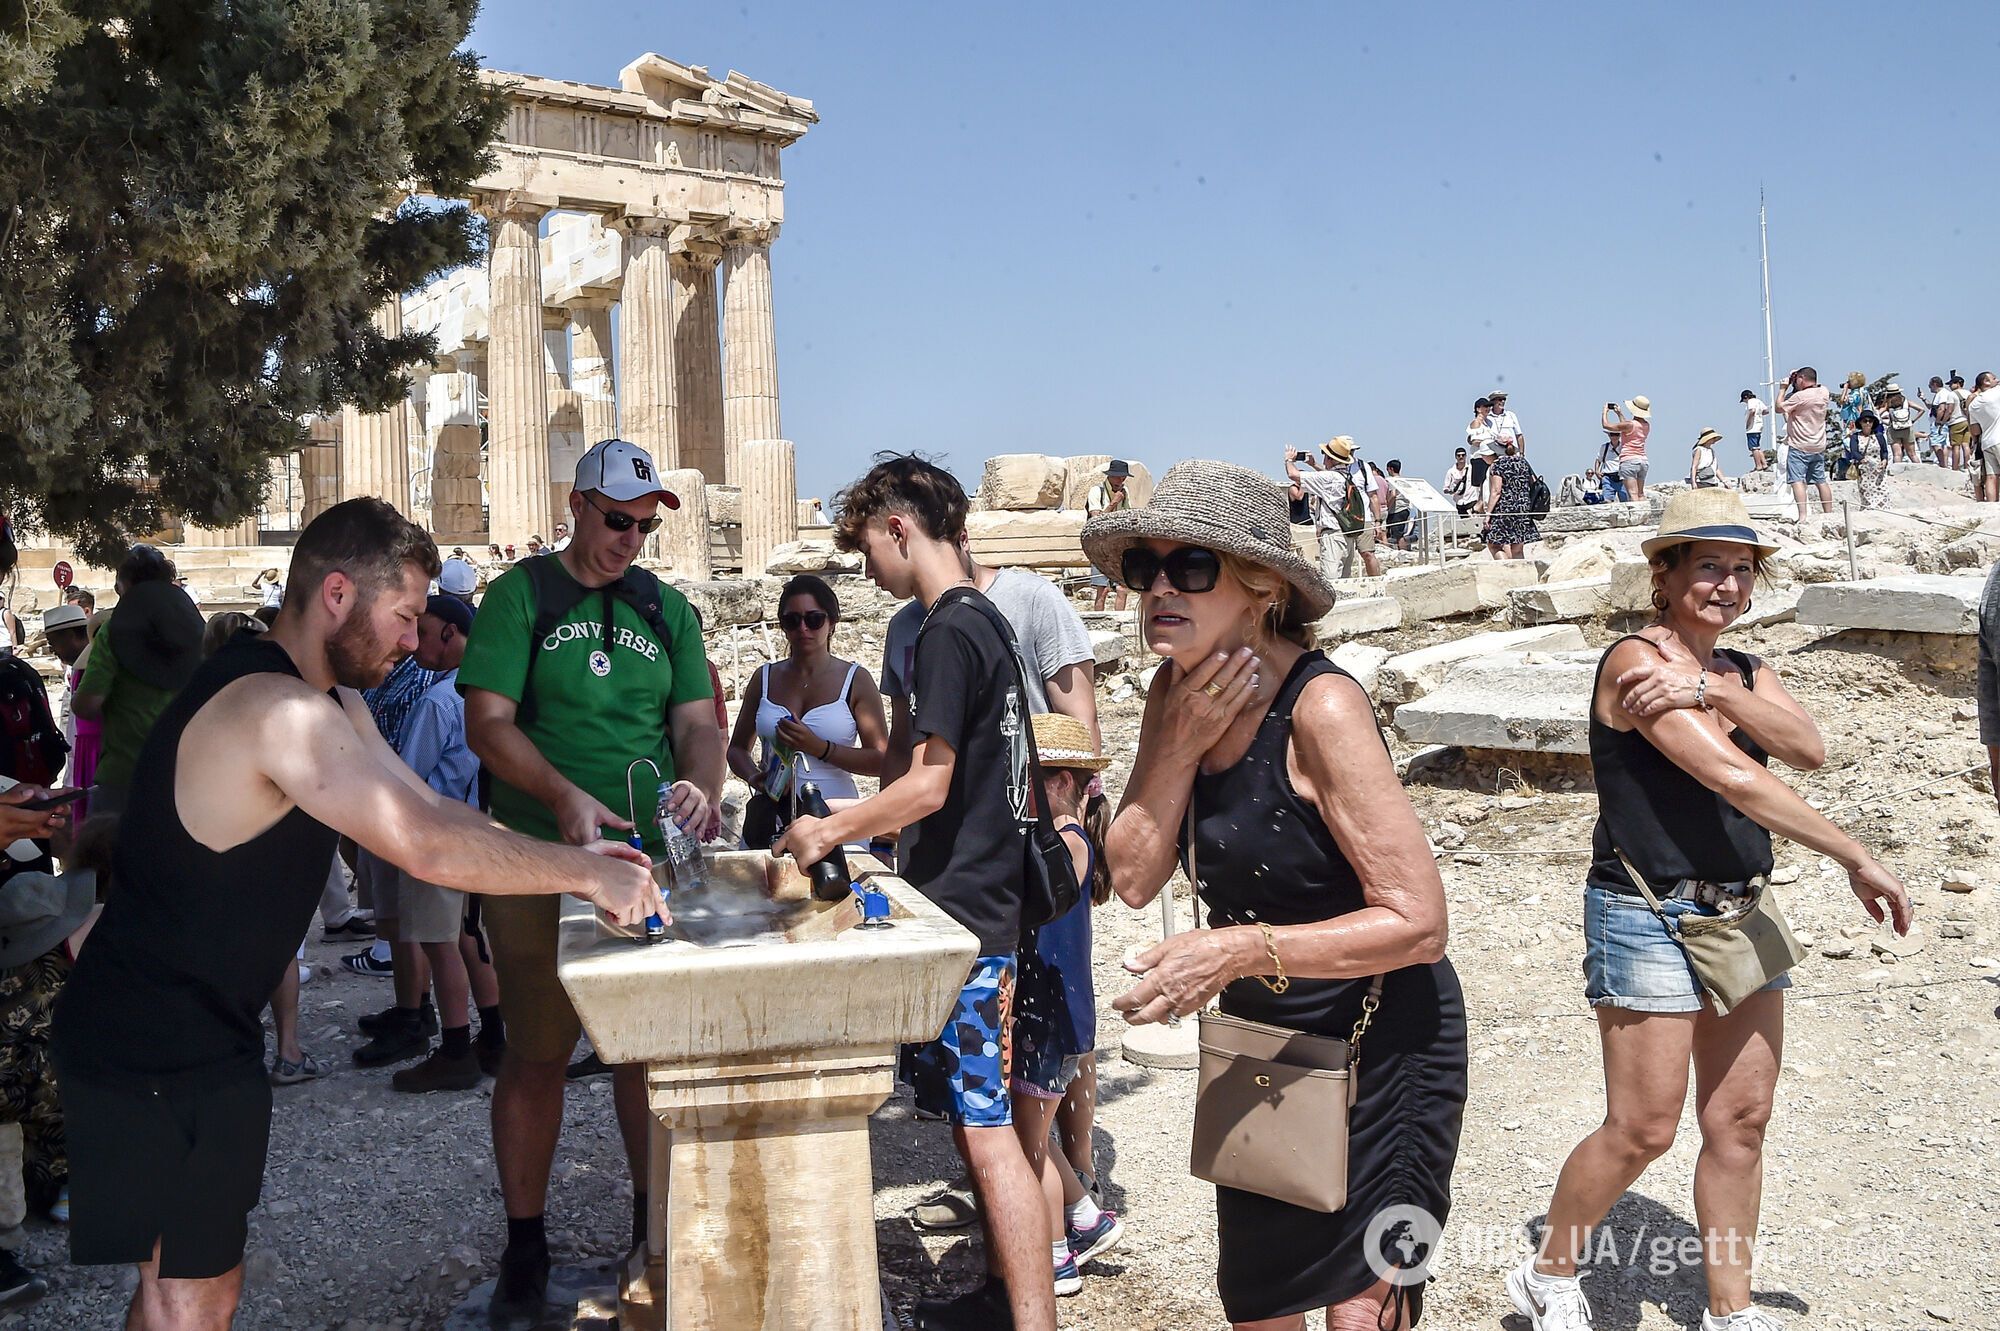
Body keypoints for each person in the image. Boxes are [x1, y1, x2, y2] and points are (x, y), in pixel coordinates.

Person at [50, 498, 657, 1331]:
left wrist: (572, 834)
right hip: (148, 1031)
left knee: (178, 1292)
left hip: (201, 1026)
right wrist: (586, 878)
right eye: (404, 615)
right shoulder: (279, 710)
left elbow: (436, 812)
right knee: (189, 1298)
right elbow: (424, 851)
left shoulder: (335, 703)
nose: (415, 639)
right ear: (338, 594)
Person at [1510, 490, 1911, 1331]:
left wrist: (1713, 686)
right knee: (1643, 1126)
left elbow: (1809, 745)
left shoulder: (1739, 669)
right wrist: (1856, 854)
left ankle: (1730, 1311)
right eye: (1708, 567)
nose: (1726, 584)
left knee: (1741, 1119)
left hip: (1740, 909)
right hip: (1646, 910)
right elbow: (1735, 777)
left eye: (1741, 569)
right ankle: (1550, 1269)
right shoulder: (1632, 663)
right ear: (1666, 574)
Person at [1085, 459, 1463, 1331]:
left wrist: (1240, 948)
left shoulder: (1321, 707)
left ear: (1261, 589)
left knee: (1359, 1314)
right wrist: (1177, 744)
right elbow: (1133, 879)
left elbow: (1420, 921)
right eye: (1149, 568)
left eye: (1192, 567)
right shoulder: (1170, 694)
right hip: (1269, 1046)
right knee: (1260, 1307)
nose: (1160, 589)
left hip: (1385, 1044)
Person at [776, 453, 1055, 1331]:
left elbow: (930, 782)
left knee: (985, 1126)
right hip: (990, 900)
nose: (863, 569)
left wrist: (830, 829)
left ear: (900, 528)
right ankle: (1002, 1297)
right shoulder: (988, 621)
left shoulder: (942, 629)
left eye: (866, 548)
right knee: (978, 1117)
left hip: (971, 914)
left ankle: (1032, 1315)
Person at [457, 438, 723, 1315]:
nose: (630, 539)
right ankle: (525, 1247)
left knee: (644, 1055)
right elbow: (488, 724)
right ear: (576, 504)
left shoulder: (667, 610)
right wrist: (562, 794)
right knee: (537, 1053)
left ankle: (652, 1230)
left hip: (642, 865)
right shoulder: (517, 596)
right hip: (535, 856)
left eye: (645, 526)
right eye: (617, 520)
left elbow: (700, 726)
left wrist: (702, 784)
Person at [879, 532, 1101, 1235]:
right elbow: (902, 743)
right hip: (958, 878)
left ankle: (1075, 1187)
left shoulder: (1033, 600)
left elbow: (1079, 731)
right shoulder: (906, 627)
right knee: (991, 1084)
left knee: (1049, 1036)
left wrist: (1072, 837)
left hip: (1032, 853)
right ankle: (1052, 1210)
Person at [1007, 712, 1121, 1299]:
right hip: (1053, 1011)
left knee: (1026, 1145)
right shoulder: (1063, 840)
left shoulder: (1069, 844)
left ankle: (1054, 1259)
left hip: (1049, 1016)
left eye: (1032, 774)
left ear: (1060, 782)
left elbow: (1043, 901)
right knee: (1032, 1126)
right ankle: (1084, 1217)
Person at [386, 595, 505, 1093]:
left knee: (439, 941)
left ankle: (456, 1047)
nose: (413, 643)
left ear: (451, 633)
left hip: (437, 831)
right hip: (482, 826)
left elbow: (408, 775)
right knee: (470, 936)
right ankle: (495, 1038)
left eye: (424, 630)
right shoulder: (489, 692)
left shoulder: (439, 701)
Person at [725, 574, 888, 844]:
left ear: (832, 622)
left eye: (814, 619)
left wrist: (820, 747)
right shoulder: (763, 678)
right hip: (772, 817)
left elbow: (882, 760)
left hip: (836, 821)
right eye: (792, 621)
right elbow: (736, 749)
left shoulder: (856, 680)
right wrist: (756, 778)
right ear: (782, 626)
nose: (803, 629)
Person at [71, 545, 203, 817]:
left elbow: (88, 704)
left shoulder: (113, 632)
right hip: (185, 774)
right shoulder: (197, 627)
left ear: (126, 586)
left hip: (125, 774)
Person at [1286, 437, 1382, 580]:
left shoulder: (1329, 477)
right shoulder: (1346, 476)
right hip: (1348, 530)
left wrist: (1289, 460)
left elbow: (1293, 475)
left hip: (1333, 533)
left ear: (1330, 458)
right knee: (1345, 576)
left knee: (1331, 577)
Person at [1776, 368, 1835, 521]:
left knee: (1797, 480)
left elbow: (1778, 407)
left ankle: (1803, 516)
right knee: (1821, 481)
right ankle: (1829, 514)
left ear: (1801, 378)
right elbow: (1814, 387)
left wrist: (1783, 388)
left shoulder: (1799, 397)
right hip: (1818, 444)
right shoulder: (1824, 392)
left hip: (1799, 444)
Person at [1086, 460, 1135, 611]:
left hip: (1118, 546)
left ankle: (1119, 623)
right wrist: (1113, 504)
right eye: (1118, 477)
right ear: (1110, 476)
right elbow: (1096, 521)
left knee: (1122, 589)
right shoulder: (1096, 491)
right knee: (1103, 590)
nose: (1121, 481)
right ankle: (1097, 623)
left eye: (1123, 478)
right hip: (1099, 546)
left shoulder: (1124, 493)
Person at [1484, 438, 1540, 559]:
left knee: (1494, 545)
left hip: (1505, 508)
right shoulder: (1523, 462)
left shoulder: (1498, 465)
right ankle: (1521, 574)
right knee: (1517, 548)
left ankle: (1507, 570)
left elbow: (1496, 491)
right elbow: (1533, 482)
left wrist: (1488, 514)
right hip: (1523, 507)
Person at [1601, 397, 1652, 502]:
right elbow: (1626, 428)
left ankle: (1636, 517)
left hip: (1629, 460)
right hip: (1643, 460)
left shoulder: (1630, 424)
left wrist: (1604, 412)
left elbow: (1606, 425)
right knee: (1640, 493)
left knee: (1632, 494)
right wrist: (1619, 414)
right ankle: (1644, 517)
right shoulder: (1646, 425)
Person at [1965, 371, 2000, 503]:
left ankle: (1991, 506)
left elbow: (1975, 430)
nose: (1997, 380)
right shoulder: (1996, 393)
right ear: (1986, 382)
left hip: (1987, 442)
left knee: (1991, 476)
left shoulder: (1973, 405)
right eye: (1994, 378)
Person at [1847, 411, 1889, 509]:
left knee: (1882, 492)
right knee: (1866, 493)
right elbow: (1854, 451)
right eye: (1865, 421)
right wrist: (1862, 459)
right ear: (1860, 423)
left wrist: (1885, 460)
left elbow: (1884, 451)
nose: (1867, 423)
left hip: (1878, 471)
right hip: (1864, 471)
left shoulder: (1879, 436)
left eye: (1870, 421)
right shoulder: (1855, 437)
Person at [1878, 382, 1924, 464]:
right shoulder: (1906, 402)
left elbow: (1878, 414)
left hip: (1894, 429)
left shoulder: (1888, 404)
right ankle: (1920, 471)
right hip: (1907, 428)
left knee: (1897, 454)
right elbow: (1921, 410)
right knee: (1912, 454)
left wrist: (1884, 421)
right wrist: (1913, 420)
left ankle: (1897, 473)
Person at [1465, 399, 1497, 502]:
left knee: (1488, 484)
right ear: (1478, 409)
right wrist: (1487, 443)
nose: (1488, 409)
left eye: (1489, 407)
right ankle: (1479, 506)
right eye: (1485, 406)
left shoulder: (1488, 423)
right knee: (1482, 485)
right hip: (1479, 457)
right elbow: (1474, 440)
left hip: (1489, 456)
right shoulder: (1476, 422)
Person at [1382, 460, 1414, 550]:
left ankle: (1403, 552)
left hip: (1397, 509)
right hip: (1405, 508)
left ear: (1391, 469)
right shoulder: (1404, 480)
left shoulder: (1392, 480)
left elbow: (1393, 494)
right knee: (1399, 533)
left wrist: (1387, 506)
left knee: (1397, 535)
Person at [1942, 373, 1971, 470]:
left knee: (1956, 446)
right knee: (1966, 445)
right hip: (1967, 421)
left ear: (1958, 383)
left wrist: (1943, 421)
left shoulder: (1952, 394)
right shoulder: (1969, 393)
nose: (1950, 386)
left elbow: (1949, 410)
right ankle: (1967, 467)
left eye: (1951, 384)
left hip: (1956, 421)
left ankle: (1955, 468)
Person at [1488, 388, 1526, 455]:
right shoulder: (1487, 417)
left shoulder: (1511, 415)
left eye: (1504, 399)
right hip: (1493, 454)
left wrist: (1521, 453)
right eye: (1500, 399)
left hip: (1511, 453)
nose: (1502, 401)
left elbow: (1519, 435)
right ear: (1492, 402)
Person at [1739, 390, 1770, 470]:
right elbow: (1766, 411)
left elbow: (1752, 411)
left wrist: (1748, 422)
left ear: (1746, 397)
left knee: (1753, 448)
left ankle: (1758, 465)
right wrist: (1759, 413)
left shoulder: (1751, 402)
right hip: (1759, 426)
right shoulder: (1758, 401)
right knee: (1757, 447)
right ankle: (1764, 464)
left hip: (1752, 427)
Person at [1443, 447, 1474, 519]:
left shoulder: (1471, 469)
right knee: (1464, 524)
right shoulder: (1451, 471)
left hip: (1471, 500)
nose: (1461, 457)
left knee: (1473, 522)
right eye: (1459, 455)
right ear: (1455, 457)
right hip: (1459, 502)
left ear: (1466, 456)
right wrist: (1451, 491)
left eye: (1463, 455)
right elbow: (1445, 488)